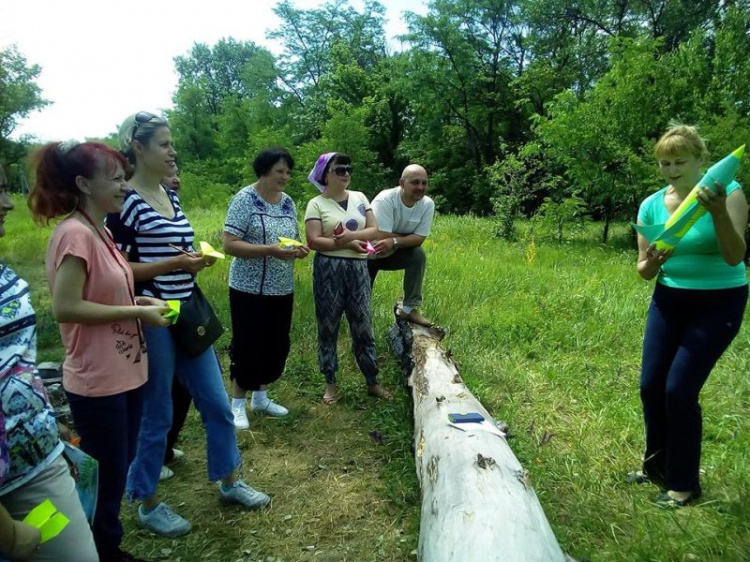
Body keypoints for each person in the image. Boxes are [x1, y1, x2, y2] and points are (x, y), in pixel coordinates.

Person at [108, 112, 270, 538]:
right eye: (163, 144)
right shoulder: (125, 204)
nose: (172, 150)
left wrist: (193, 261)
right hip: (154, 317)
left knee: (216, 403)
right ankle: (145, 501)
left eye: (171, 143)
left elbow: (177, 247)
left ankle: (230, 481)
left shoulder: (170, 196)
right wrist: (175, 263)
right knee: (157, 411)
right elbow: (119, 270)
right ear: (138, 148)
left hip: (189, 311)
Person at [28, 142, 170, 562]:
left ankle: (102, 543)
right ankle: (101, 550)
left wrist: (139, 304)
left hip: (125, 372)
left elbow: (105, 292)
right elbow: (65, 307)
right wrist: (132, 309)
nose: (124, 185)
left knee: (117, 464)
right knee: (104, 475)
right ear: (84, 183)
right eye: (115, 177)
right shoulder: (74, 234)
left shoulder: (102, 230)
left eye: (124, 176)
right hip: (98, 380)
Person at [633, 123, 748, 507]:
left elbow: (736, 255)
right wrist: (653, 261)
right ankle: (657, 468)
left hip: (720, 303)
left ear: (701, 160)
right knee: (651, 386)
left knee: (679, 390)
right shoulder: (651, 204)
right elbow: (644, 271)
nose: (671, 169)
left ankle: (683, 485)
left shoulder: (728, 194)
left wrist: (716, 214)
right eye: (665, 163)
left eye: (680, 161)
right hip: (669, 300)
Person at [0, 163, 99, 562]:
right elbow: (68, 306)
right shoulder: (75, 234)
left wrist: (43, 418)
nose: (8, 203)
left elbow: (14, 361)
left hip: (35, 461)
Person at [223, 148, 309, 430]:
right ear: (264, 172)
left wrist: (297, 249)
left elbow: (290, 238)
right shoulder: (244, 199)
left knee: (275, 343)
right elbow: (230, 244)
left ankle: (260, 398)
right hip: (248, 288)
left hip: (280, 287)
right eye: (279, 171)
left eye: (287, 172)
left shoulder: (288, 203)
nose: (285, 177)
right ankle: (237, 403)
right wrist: (269, 250)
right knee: (248, 344)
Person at [304, 152, 392, 405]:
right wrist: (341, 242)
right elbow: (313, 241)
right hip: (328, 267)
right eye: (339, 169)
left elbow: (374, 230)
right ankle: (330, 383)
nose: (345, 174)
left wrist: (351, 240)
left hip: (358, 268)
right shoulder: (316, 204)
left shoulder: (360, 197)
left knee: (363, 324)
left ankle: (372, 381)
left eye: (348, 169)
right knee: (328, 324)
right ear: (325, 174)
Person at [369, 164, 435, 327]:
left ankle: (409, 308)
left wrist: (394, 241)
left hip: (396, 252)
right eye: (415, 182)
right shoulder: (385, 200)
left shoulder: (427, 204)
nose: (420, 187)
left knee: (417, 254)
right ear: (402, 183)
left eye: (424, 183)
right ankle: (359, 315)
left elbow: (419, 239)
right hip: (369, 253)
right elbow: (380, 237)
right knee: (361, 298)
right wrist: (408, 238)